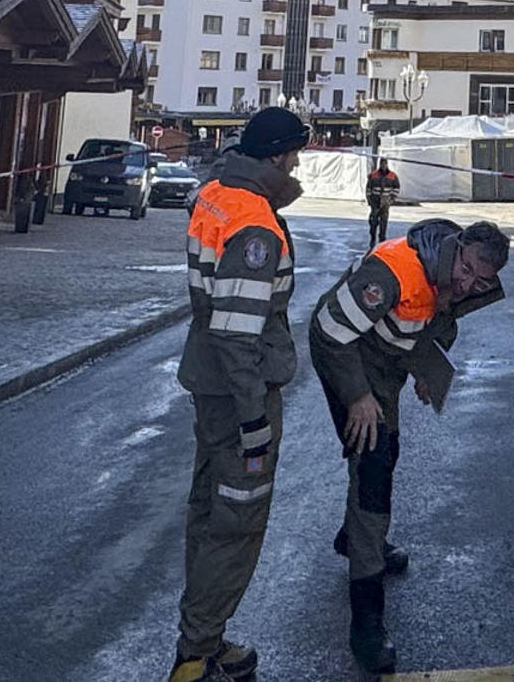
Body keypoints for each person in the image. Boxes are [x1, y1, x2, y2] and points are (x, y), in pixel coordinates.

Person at [310, 218, 511, 673]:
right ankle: (366, 622)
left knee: (385, 453)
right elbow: (327, 330)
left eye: (480, 280)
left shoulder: (460, 277)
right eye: (466, 270)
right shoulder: (394, 269)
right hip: (347, 355)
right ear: (457, 247)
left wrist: (427, 367)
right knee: (373, 469)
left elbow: (431, 322)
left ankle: (354, 538)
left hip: (385, 363)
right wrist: (357, 396)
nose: (467, 284)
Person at [167, 107, 311, 682]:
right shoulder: (255, 224)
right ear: (277, 155)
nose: (299, 162)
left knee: (210, 510)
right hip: (237, 395)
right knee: (238, 520)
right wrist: (255, 419)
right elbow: (237, 331)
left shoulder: (216, 193)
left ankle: (204, 636)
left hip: (208, 385)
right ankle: (196, 654)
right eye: (295, 152)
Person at [365, 156, 401, 248]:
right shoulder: (373, 175)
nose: (383, 165)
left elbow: (396, 188)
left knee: (384, 222)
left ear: (387, 164)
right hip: (375, 202)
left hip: (385, 203)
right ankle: (373, 238)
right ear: (380, 164)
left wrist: (391, 199)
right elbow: (368, 188)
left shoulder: (393, 176)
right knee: (373, 222)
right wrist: (370, 200)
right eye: (382, 163)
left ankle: (382, 240)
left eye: (385, 163)